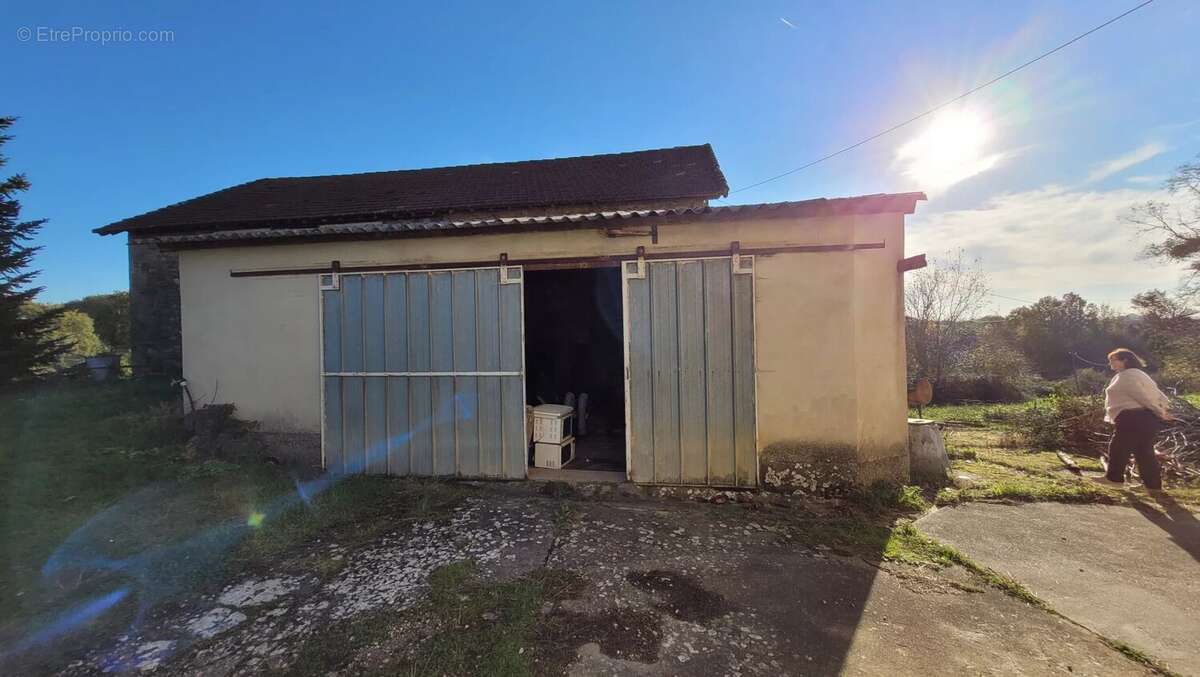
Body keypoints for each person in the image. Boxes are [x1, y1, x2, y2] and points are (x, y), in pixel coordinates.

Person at [1093, 348, 1173, 491]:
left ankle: (1114, 479)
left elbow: (1142, 397)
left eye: (1113, 359)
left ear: (1125, 360)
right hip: (1146, 419)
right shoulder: (1140, 374)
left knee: (1118, 448)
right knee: (1144, 451)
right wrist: (1162, 409)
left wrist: (1160, 411)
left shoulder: (1127, 376)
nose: (1110, 363)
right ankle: (1153, 486)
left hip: (1132, 418)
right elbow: (1160, 395)